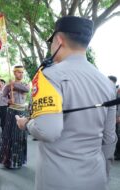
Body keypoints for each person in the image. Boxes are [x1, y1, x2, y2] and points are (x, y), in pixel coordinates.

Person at [16, 16, 117, 190]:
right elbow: (109, 139)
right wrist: (103, 173)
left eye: (51, 42)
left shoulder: (48, 76)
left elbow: (47, 131)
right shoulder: (107, 83)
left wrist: (26, 123)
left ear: (59, 40)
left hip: (58, 178)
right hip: (96, 177)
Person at [0, 65, 30, 169]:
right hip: (12, 111)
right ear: (14, 73)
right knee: (10, 135)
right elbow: (1, 98)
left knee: (20, 137)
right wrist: (8, 101)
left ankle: (19, 160)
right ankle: (8, 161)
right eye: (19, 72)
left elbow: (26, 89)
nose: (21, 74)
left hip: (22, 111)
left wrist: (14, 84)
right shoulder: (8, 86)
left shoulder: (25, 84)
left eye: (22, 72)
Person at [108, 75, 120, 160]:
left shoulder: (117, 91)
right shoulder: (114, 90)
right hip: (113, 117)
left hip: (117, 117)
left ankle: (117, 153)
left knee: (117, 135)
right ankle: (115, 152)